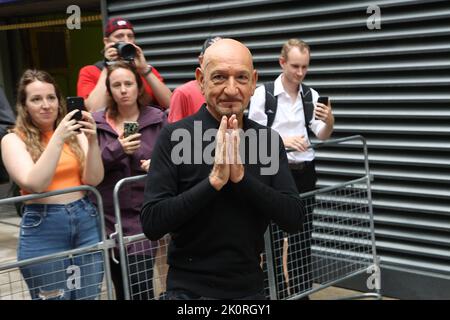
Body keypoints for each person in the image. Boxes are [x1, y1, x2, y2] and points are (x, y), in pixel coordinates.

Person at [140, 38, 305, 300]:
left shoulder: (267, 141)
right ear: (201, 80)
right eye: (219, 77)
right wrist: (213, 181)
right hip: (188, 293)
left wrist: (241, 179)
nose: (231, 89)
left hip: (249, 292)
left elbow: (293, 218)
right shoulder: (174, 137)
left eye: (241, 78)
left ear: (253, 82)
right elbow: (152, 223)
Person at [1, 69, 104, 300]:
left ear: (59, 101)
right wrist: (57, 137)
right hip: (43, 225)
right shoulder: (13, 140)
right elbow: (36, 183)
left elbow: (94, 180)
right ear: (24, 106)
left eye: (51, 97)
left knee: (88, 296)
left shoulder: (74, 135)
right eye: (36, 99)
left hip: (85, 219)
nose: (45, 105)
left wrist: (93, 140)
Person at [248, 38, 335, 299]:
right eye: (295, 66)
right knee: (271, 239)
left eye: (305, 67)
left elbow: (321, 134)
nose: (300, 73)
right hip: (272, 172)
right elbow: (253, 134)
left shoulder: (311, 95)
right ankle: (271, 294)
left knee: (301, 239)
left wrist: (329, 121)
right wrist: (283, 141)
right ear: (282, 62)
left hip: (304, 172)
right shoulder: (263, 94)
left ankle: (300, 294)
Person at [92, 61, 167, 300]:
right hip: (107, 219)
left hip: (143, 217)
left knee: (140, 285)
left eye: (128, 84)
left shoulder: (157, 118)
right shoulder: (96, 122)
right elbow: (87, 167)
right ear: (109, 90)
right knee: (121, 288)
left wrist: (157, 164)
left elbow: (174, 159)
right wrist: (117, 148)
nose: (123, 90)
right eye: (116, 85)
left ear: (138, 87)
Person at [77, 17, 172, 112]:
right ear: (106, 42)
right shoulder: (90, 71)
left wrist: (145, 71)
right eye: (119, 36)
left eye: (130, 36)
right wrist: (107, 67)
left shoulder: (145, 70)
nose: (126, 40)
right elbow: (93, 110)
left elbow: (170, 104)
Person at [168, 36, 222, 123]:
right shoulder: (182, 93)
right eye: (212, 59)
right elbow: (175, 133)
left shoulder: (230, 92)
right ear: (201, 60)